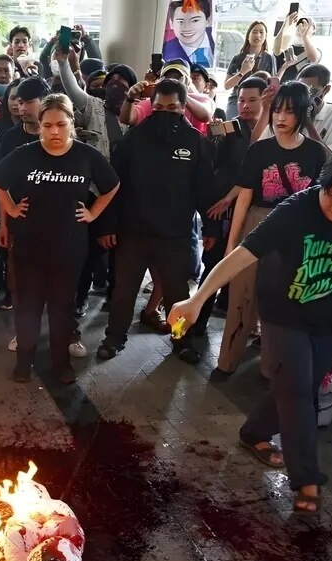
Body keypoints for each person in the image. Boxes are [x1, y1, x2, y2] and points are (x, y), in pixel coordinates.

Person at [170, 147, 332, 512]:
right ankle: (307, 480)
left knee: (302, 383)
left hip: (330, 313)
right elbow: (240, 257)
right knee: (298, 391)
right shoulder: (295, 211)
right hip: (283, 313)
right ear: (322, 184)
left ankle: (253, 433)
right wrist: (197, 298)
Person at [0, 94, 119, 384]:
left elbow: (112, 185)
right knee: (29, 307)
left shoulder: (86, 155)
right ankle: (24, 361)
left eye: (61, 124)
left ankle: (60, 364)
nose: (54, 132)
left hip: (69, 247)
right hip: (29, 245)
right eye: (47, 126)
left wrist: (93, 212)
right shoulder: (26, 153)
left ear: (71, 124)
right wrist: (10, 208)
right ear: (40, 126)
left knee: (62, 308)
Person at [216, 81, 330, 376]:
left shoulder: (316, 153)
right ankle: (227, 361)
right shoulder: (260, 150)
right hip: (258, 221)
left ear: (304, 114)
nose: (280, 118)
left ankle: (272, 368)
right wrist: (232, 245)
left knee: (283, 303)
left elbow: (321, 200)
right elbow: (243, 197)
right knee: (241, 295)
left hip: (297, 230)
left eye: (289, 112)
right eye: (277, 110)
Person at [99, 79, 210, 363]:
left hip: (175, 235)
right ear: (151, 107)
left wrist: (211, 228)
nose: (164, 112)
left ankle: (181, 340)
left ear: (184, 108)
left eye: (172, 108)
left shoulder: (194, 142)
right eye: (158, 107)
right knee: (123, 292)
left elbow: (203, 190)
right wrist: (108, 224)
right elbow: (114, 184)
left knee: (178, 294)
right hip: (133, 232)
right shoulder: (136, 137)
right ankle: (114, 338)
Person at [195, 77, 267, 340]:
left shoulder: (273, 132)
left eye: (252, 100)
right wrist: (211, 139)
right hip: (223, 215)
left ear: (265, 101)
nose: (245, 106)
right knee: (213, 267)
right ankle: (196, 324)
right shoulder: (228, 129)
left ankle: (248, 326)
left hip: (257, 215)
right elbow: (212, 167)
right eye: (241, 100)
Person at [224, 21, 276, 119]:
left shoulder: (269, 59)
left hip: (261, 101)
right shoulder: (238, 58)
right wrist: (242, 72)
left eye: (261, 32)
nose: (258, 35)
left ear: (265, 37)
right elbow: (227, 85)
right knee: (232, 128)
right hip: (238, 99)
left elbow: (272, 83)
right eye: (254, 32)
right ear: (248, 36)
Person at [297, 64, 332, 156]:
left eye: (312, 91)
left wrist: (309, 125)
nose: (305, 97)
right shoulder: (289, 112)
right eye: (300, 91)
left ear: (326, 90)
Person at [163, 0, 214, 69]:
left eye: (195, 20)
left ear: (207, 21)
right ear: (171, 24)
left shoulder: (218, 40)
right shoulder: (164, 50)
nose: (187, 28)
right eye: (180, 21)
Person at [273, 12, 321, 82]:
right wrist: (286, 24)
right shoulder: (287, 47)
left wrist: (305, 36)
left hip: (301, 89)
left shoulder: (316, 51)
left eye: (307, 24)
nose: (301, 26)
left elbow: (313, 60)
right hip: (283, 88)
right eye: (299, 23)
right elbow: (276, 50)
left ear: (314, 30)